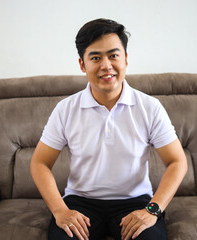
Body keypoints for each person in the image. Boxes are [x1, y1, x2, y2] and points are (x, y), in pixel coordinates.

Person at [30, 18, 187, 240]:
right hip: (81, 202)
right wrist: (60, 210)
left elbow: (177, 162)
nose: (106, 66)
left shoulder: (149, 107)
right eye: (96, 58)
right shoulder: (66, 109)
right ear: (82, 65)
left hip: (135, 202)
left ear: (126, 59)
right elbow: (40, 163)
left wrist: (152, 210)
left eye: (113, 56)